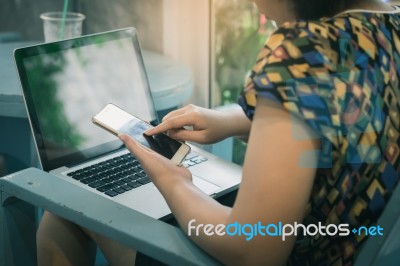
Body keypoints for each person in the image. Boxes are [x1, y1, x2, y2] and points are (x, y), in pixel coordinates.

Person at [37, 0, 400, 265]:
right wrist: (234, 121)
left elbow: (252, 249)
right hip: (347, 243)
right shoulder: (388, 26)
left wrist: (175, 182)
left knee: (68, 202)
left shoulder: (304, 48)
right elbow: (357, 116)